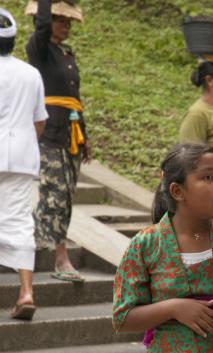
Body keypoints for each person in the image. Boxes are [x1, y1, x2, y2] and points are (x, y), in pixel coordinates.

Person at [113, 143, 213, 352]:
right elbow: (123, 319)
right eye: (208, 177)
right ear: (178, 191)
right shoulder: (146, 245)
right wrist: (174, 308)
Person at [26, 0, 91, 282]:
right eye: (60, 21)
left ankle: (33, 231)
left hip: (70, 134)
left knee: (64, 196)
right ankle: (60, 258)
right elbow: (41, 26)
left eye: (68, 22)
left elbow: (74, 100)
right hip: (49, 133)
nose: (66, 26)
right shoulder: (39, 50)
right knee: (57, 194)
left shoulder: (67, 54)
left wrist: (85, 136)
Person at [0, 7, 48, 321]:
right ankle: (26, 292)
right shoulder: (31, 73)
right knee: (18, 222)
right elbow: (39, 122)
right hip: (21, 156)